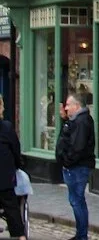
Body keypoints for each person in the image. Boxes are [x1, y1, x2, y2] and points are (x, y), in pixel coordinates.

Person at [56, 93, 95, 240]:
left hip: (77, 168)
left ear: (76, 106)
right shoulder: (78, 121)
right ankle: (81, 234)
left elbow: (77, 147)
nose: (66, 108)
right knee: (77, 201)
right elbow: (68, 137)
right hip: (76, 166)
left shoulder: (82, 122)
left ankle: (82, 235)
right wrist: (65, 120)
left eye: (68, 105)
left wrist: (67, 162)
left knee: (76, 201)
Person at [0, 97, 27, 240]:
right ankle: (20, 236)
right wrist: (19, 165)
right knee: (11, 207)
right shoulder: (6, 127)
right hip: (4, 177)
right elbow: (16, 150)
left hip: (4, 175)